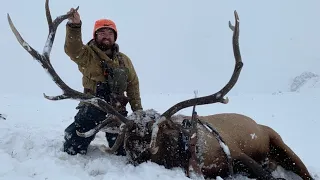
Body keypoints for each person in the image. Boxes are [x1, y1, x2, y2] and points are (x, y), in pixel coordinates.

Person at [62, 8, 143, 156]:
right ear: (95, 35)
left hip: (117, 111)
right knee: (74, 147)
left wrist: (138, 112)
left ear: (115, 36)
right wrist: (75, 26)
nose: (107, 36)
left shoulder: (124, 60)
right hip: (92, 108)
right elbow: (72, 49)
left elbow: (133, 86)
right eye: (102, 33)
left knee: (124, 150)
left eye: (110, 33)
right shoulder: (86, 54)